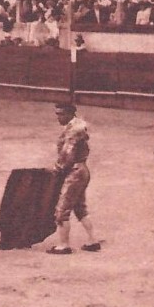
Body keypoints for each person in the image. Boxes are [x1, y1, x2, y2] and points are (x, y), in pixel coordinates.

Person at [46, 103, 100, 255]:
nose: (58, 117)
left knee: (61, 210)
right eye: (57, 114)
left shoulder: (73, 131)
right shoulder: (76, 127)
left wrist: (57, 169)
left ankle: (64, 245)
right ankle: (92, 241)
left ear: (70, 114)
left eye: (61, 114)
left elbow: (66, 155)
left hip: (74, 172)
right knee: (80, 207)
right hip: (81, 170)